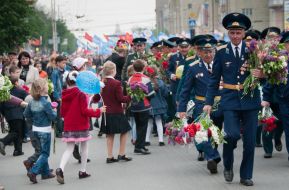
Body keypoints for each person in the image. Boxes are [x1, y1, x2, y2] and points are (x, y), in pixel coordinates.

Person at [203, 13, 262, 186]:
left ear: (244, 33)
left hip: (250, 100)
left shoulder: (254, 51)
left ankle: (246, 175)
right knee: (231, 135)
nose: (235, 36)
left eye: (238, 32)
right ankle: (228, 165)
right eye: (232, 32)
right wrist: (208, 102)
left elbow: (266, 77)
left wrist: (262, 74)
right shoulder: (221, 52)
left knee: (250, 142)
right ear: (228, 34)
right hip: (229, 101)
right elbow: (214, 80)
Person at [178, 37, 223, 174]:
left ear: (214, 52)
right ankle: (212, 157)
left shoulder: (221, 66)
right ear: (199, 53)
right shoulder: (193, 68)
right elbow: (185, 90)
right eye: (205, 52)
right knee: (201, 134)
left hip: (219, 104)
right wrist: (182, 109)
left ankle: (212, 156)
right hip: (201, 104)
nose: (208, 55)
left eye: (210, 51)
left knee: (215, 133)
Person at [55, 71, 106, 184]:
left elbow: (63, 112)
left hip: (69, 124)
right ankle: (82, 171)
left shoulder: (65, 93)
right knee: (84, 147)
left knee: (69, 148)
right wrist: (98, 111)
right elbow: (85, 111)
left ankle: (60, 168)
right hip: (81, 124)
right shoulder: (81, 94)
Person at [262, 30, 289, 162]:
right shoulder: (278, 59)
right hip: (282, 99)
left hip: (282, 99)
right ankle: (268, 148)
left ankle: (277, 139)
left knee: (283, 126)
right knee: (277, 125)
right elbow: (270, 79)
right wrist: (266, 98)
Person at [23, 78, 57, 184]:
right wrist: (54, 110)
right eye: (46, 85)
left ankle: (45, 172)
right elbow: (52, 117)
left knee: (42, 151)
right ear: (42, 88)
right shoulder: (46, 103)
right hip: (45, 130)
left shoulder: (32, 101)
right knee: (45, 153)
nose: (48, 87)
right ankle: (34, 171)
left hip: (35, 129)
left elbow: (26, 114)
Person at [99, 61, 132, 163]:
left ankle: (109, 156)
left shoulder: (102, 83)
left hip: (106, 112)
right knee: (125, 131)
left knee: (109, 134)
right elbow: (121, 99)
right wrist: (131, 95)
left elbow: (97, 97)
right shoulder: (116, 83)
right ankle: (121, 154)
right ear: (113, 71)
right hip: (117, 112)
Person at [128, 59, 155, 155]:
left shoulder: (130, 79)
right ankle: (139, 147)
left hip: (134, 106)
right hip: (144, 105)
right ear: (144, 68)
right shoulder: (146, 78)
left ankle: (140, 145)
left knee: (138, 125)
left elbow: (128, 92)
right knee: (143, 127)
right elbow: (151, 94)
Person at [0, 76, 28, 156]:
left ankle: (18, 151)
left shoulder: (4, 92)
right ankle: (3, 142)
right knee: (17, 132)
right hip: (18, 113)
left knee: (15, 131)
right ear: (16, 82)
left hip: (8, 115)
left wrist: (4, 114)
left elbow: (1, 105)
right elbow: (29, 98)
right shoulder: (20, 91)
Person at [145, 65, 168, 146]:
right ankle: (161, 140)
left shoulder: (146, 82)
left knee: (149, 123)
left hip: (149, 105)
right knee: (159, 122)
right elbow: (165, 93)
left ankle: (146, 140)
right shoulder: (160, 82)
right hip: (159, 105)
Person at [51, 55, 67, 138]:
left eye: (65, 63)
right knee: (58, 115)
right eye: (63, 63)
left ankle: (63, 129)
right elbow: (53, 86)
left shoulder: (65, 72)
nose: (65, 64)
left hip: (64, 95)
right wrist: (57, 97)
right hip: (58, 96)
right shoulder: (55, 72)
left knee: (63, 114)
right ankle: (58, 131)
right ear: (57, 63)